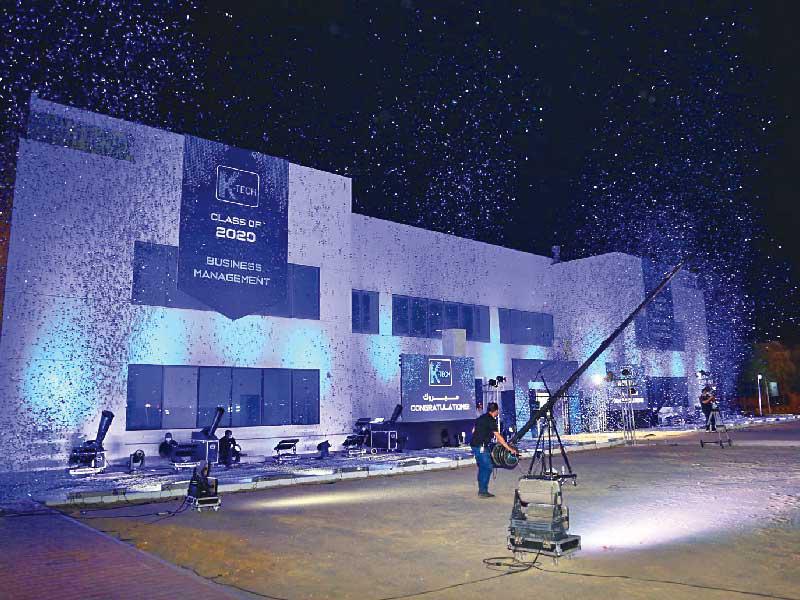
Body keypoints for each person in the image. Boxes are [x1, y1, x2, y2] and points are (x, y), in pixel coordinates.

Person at [470, 402, 518, 498]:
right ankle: (483, 491)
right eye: (498, 411)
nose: (498, 412)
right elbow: (498, 436)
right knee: (488, 467)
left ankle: (481, 488)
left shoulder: (481, 417)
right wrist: (509, 448)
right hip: (481, 447)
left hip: (475, 445)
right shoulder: (491, 421)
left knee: (482, 467)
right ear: (495, 411)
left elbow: (473, 430)